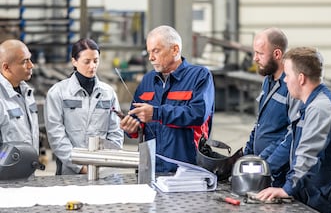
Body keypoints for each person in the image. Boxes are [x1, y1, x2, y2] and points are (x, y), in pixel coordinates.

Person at [255, 46, 331, 213]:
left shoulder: (320, 108)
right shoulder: (309, 104)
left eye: (287, 75)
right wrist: (262, 166)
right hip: (320, 191)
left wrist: (286, 189)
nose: (285, 81)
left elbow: (308, 155)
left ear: (301, 78)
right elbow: (291, 141)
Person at [120, 25, 215, 173]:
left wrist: (157, 113)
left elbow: (197, 114)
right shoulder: (147, 81)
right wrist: (132, 128)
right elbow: (137, 117)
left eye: (156, 51)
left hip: (187, 170)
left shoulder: (200, 76)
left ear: (175, 50)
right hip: (151, 168)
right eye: (149, 52)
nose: (151, 58)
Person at [44, 38, 124, 175]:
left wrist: (106, 162)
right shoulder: (58, 93)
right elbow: (56, 135)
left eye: (96, 61)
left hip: (104, 170)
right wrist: (80, 167)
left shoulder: (108, 93)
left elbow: (116, 131)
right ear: (74, 61)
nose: (92, 66)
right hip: (70, 171)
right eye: (87, 62)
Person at [244, 28, 301, 186]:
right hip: (262, 169)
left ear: (277, 54)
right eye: (254, 53)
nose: (255, 58)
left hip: (278, 175)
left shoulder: (291, 87)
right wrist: (245, 156)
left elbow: (292, 135)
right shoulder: (267, 81)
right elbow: (259, 124)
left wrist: (265, 165)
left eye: (260, 54)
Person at [0, 39, 39, 153]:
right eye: (24, 62)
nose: (31, 65)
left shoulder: (27, 93)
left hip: (28, 168)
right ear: (6, 67)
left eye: (30, 59)